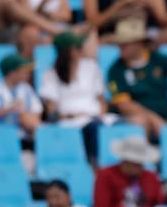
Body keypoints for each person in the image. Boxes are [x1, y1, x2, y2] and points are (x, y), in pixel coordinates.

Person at [107, 17, 167, 138]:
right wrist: (152, 118)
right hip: (140, 120)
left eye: (125, 43)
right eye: (120, 44)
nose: (121, 47)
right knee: (138, 122)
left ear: (139, 43)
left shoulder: (158, 59)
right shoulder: (115, 70)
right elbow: (125, 105)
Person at [40, 31, 114, 162]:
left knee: (123, 125)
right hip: (70, 121)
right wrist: (74, 116)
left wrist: (100, 115)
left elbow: (102, 100)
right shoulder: (50, 74)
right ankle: (95, 165)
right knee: (93, 129)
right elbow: (51, 111)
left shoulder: (92, 67)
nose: (82, 50)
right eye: (78, 48)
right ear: (66, 51)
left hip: (96, 118)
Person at [93, 136, 165, 207]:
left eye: (139, 163)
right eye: (132, 162)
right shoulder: (105, 175)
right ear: (123, 160)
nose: (136, 166)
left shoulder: (151, 178)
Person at [0, 53, 42, 137]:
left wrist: (24, 117)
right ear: (12, 73)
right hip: (1, 136)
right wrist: (11, 108)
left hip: (24, 135)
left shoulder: (27, 88)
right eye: (24, 71)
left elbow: (37, 110)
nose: (28, 74)